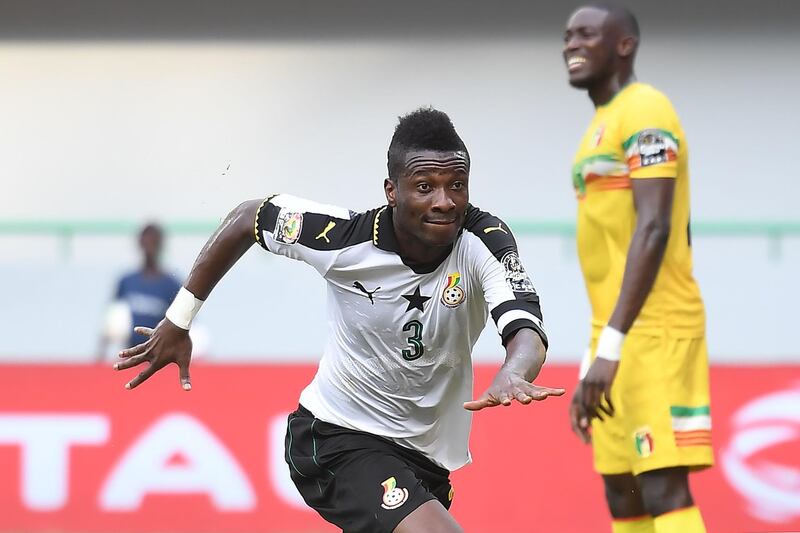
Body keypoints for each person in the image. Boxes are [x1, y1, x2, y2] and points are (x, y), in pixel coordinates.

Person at [114, 107, 564, 532]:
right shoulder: (342, 239)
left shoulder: (484, 240)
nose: (445, 201)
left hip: (425, 460)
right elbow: (247, 218)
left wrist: (514, 369)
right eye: (425, 186)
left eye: (457, 185)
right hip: (336, 437)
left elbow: (524, 324)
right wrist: (179, 318)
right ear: (392, 191)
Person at [563, 4, 712, 533]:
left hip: (656, 328)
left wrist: (612, 346)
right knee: (622, 489)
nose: (570, 44)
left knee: (662, 484)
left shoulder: (645, 108)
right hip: (615, 333)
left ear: (624, 44)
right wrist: (593, 354)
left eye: (586, 33)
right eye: (567, 35)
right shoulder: (598, 128)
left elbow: (657, 227)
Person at [97, 223, 181, 360]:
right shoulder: (126, 281)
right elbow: (111, 320)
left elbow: (184, 325)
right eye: (146, 241)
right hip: (131, 354)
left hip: (160, 357)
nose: (149, 247)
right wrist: (100, 356)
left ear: (160, 244)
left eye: (153, 241)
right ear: (139, 243)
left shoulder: (171, 284)